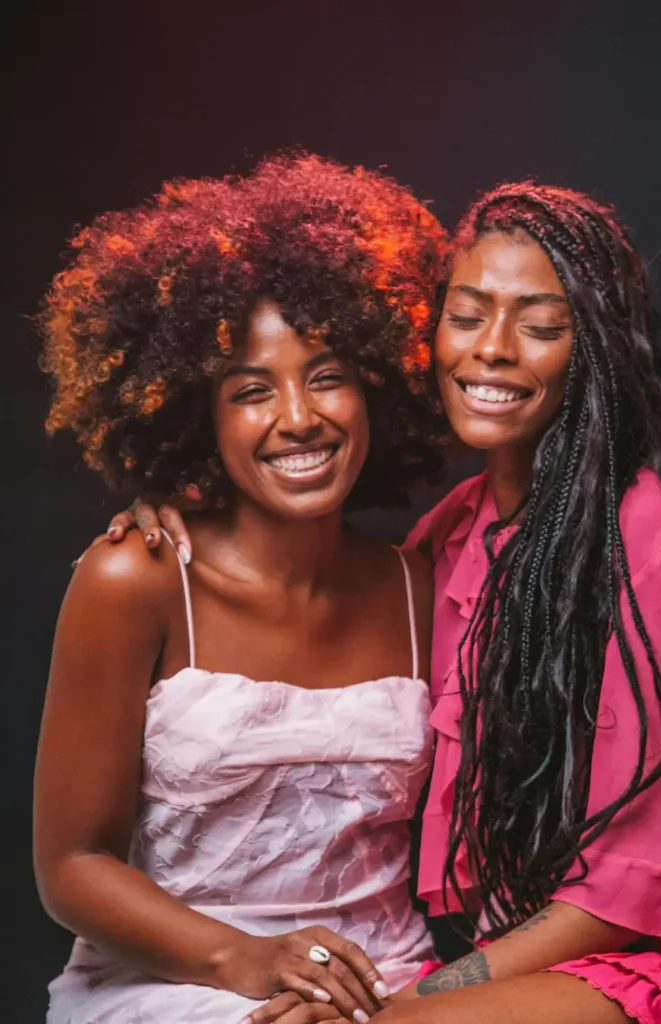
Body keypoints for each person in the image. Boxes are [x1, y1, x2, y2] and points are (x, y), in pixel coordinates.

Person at [112, 182, 661, 1024]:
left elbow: (625, 893)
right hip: (536, 952)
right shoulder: (453, 535)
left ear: (596, 352)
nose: (493, 350)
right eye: (467, 315)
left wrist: (407, 997)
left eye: (540, 326)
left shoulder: (656, 543)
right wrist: (192, 501)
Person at [34, 152, 450, 1024]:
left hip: (388, 987)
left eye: (328, 375)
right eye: (250, 391)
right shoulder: (137, 579)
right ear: (198, 418)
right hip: (176, 981)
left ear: (377, 386)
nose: (299, 416)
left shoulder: (422, 587)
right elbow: (71, 866)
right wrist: (249, 962)